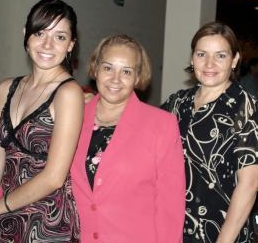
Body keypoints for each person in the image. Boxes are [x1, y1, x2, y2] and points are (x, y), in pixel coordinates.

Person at [0, 0, 83, 242]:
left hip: (48, 225)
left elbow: (54, 176)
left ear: (71, 45)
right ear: (26, 34)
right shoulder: (6, 88)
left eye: (60, 37)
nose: (48, 45)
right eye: (40, 33)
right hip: (4, 220)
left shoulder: (68, 94)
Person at [70, 34, 185, 243]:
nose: (115, 79)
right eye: (108, 68)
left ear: (138, 77)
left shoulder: (162, 125)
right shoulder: (73, 117)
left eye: (126, 71)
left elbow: (170, 206)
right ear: (95, 69)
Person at [161, 21, 258, 243]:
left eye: (220, 55)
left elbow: (248, 186)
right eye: (201, 54)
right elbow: (139, 126)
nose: (209, 63)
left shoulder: (245, 108)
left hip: (219, 231)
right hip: (171, 226)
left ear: (235, 60)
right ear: (192, 59)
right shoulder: (177, 102)